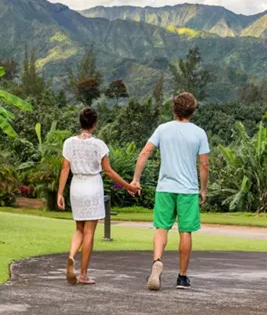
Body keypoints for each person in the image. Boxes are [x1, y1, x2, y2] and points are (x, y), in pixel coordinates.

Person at [131, 92, 210, 291]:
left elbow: (145, 152)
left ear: (174, 109)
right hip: (188, 190)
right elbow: (204, 164)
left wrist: (136, 179)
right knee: (185, 232)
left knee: (161, 228)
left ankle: (157, 261)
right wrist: (203, 189)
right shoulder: (199, 133)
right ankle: (182, 277)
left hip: (165, 188)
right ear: (193, 110)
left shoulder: (162, 129)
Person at [57, 107, 139, 285]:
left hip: (76, 186)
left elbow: (65, 169)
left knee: (79, 229)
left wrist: (59, 193)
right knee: (89, 232)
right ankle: (83, 274)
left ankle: (72, 256)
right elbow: (108, 171)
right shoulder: (98, 145)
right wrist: (128, 186)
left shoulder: (69, 143)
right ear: (95, 124)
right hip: (93, 186)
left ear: (80, 122)